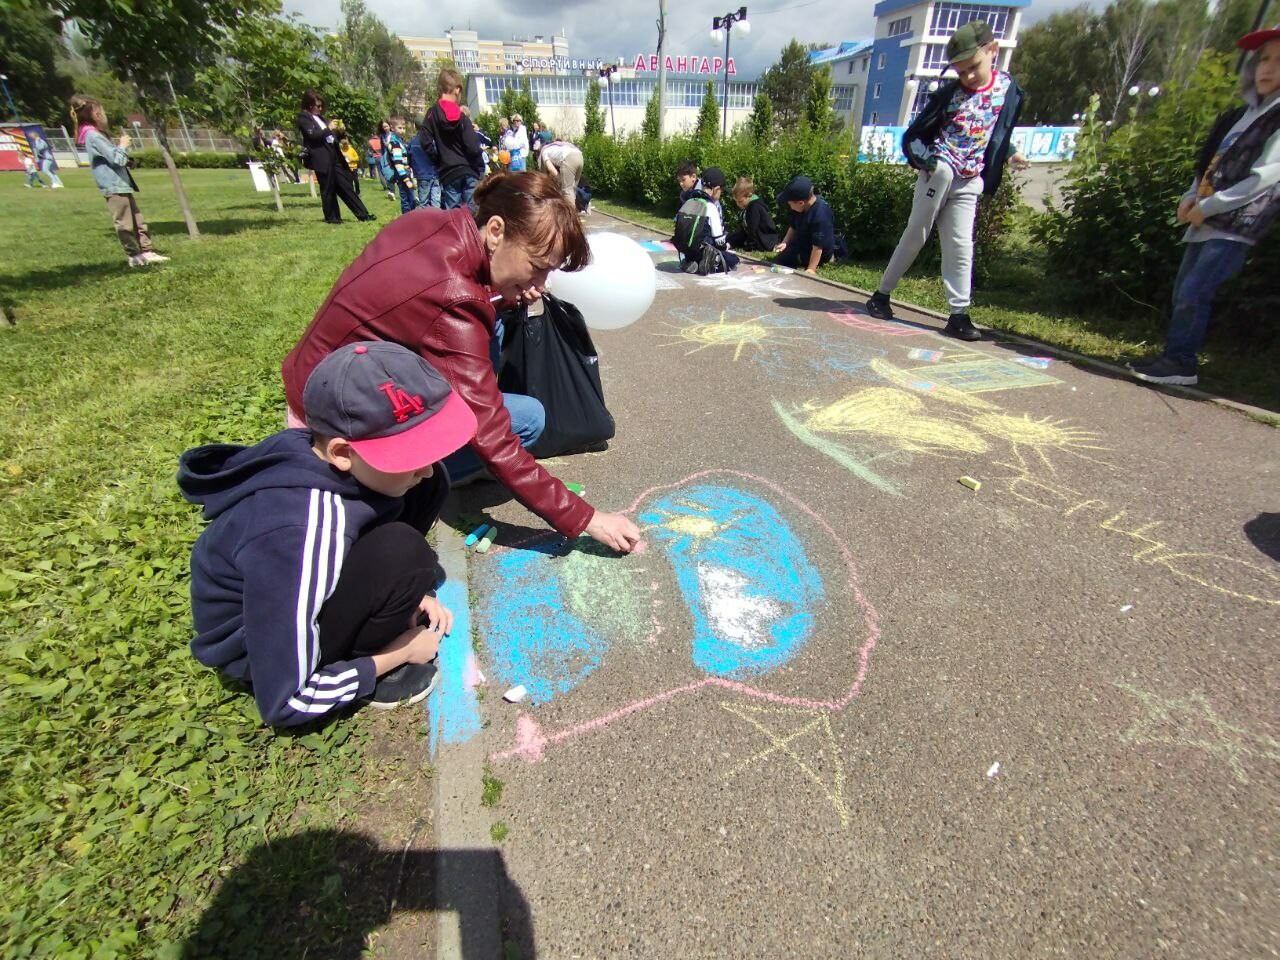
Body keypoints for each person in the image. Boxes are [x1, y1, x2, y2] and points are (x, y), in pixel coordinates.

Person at [281, 171, 643, 554]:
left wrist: (501, 296)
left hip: (312, 384)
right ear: (497, 230)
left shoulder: (431, 221)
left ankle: (424, 467)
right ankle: (403, 482)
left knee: (496, 337)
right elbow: (492, 434)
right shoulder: (456, 300)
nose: (540, 284)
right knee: (527, 419)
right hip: (336, 431)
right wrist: (587, 518)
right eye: (537, 265)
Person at [179, 341, 479, 726]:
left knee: (429, 486)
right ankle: (355, 658)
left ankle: (384, 603)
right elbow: (287, 701)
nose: (424, 468)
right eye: (407, 456)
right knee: (403, 551)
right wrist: (400, 652)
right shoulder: (298, 532)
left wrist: (414, 594)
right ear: (341, 452)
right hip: (262, 649)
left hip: (298, 589)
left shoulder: (339, 464)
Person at [1130, 25, 1280, 387]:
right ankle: (1173, 354)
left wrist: (1210, 207)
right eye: (1264, 59)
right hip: (1205, 217)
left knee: (1196, 290)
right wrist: (1190, 197)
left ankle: (1182, 362)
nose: (1268, 68)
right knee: (1184, 289)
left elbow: (1264, 178)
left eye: (1279, 61)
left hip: (1235, 224)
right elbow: (1208, 165)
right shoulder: (1237, 117)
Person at [863, 21, 1028, 341]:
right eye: (960, 71)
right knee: (916, 234)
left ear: (992, 51)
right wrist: (930, 163)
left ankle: (958, 314)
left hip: (969, 179)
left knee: (960, 246)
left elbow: (996, 130)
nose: (966, 77)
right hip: (939, 172)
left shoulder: (1007, 89)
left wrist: (1011, 152)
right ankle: (881, 295)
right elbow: (916, 135)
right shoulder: (949, 96)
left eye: (972, 68)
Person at [70, 94, 169, 267]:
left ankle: (147, 252)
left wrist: (126, 158)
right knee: (125, 223)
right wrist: (122, 145)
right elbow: (116, 159)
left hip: (121, 184)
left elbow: (114, 159)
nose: (103, 114)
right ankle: (134, 255)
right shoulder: (93, 136)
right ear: (94, 114)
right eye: (101, 111)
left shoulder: (96, 135)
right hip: (113, 186)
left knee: (138, 220)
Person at [297, 89, 375, 225]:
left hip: (334, 156)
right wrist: (328, 128)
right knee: (328, 188)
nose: (320, 109)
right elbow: (313, 136)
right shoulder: (304, 118)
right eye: (318, 106)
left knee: (346, 187)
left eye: (322, 106)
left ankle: (363, 214)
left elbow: (329, 136)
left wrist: (339, 132)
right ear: (309, 105)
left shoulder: (320, 118)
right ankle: (332, 218)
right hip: (321, 158)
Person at [421, 69, 483, 211]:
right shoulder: (462, 118)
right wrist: (478, 166)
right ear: (457, 89)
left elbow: (425, 141)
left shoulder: (432, 114)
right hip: (469, 171)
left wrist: (438, 159)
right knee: (473, 215)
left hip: (449, 172)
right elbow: (473, 147)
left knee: (453, 215)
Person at [674, 166, 738, 274]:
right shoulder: (711, 206)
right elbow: (719, 240)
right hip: (703, 248)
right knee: (733, 260)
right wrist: (725, 245)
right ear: (716, 189)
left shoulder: (690, 200)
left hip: (686, 250)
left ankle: (691, 261)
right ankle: (711, 262)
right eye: (721, 191)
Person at [773, 176, 836, 274]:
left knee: (785, 259)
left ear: (800, 202)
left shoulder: (820, 215)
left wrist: (811, 268)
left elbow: (818, 246)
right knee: (783, 256)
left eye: (790, 204)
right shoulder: (799, 208)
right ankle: (797, 255)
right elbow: (793, 226)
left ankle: (822, 259)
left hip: (819, 250)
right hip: (804, 242)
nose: (790, 207)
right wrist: (785, 242)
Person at [727, 177, 780, 252]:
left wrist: (749, 247)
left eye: (740, 201)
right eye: (736, 202)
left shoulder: (754, 208)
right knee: (730, 236)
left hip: (765, 241)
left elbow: (753, 229)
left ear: (749, 195)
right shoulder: (748, 206)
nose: (738, 204)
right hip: (760, 238)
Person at [382, 116, 418, 215]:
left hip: (405, 171)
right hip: (402, 173)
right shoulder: (395, 143)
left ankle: (410, 217)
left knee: (410, 197)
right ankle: (408, 219)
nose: (402, 130)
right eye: (399, 128)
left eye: (403, 128)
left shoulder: (399, 140)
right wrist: (406, 179)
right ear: (392, 128)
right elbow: (398, 163)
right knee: (407, 199)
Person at [539, 138, 585, 208]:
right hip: (580, 156)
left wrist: (548, 180)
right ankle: (574, 212)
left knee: (567, 191)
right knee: (573, 189)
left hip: (569, 158)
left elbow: (553, 172)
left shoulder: (544, 152)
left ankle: (571, 217)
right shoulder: (558, 147)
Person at [410, 117, 442, 209]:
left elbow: (409, 159)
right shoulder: (432, 141)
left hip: (422, 174)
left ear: (415, 127)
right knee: (436, 201)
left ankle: (424, 220)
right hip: (435, 173)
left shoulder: (413, 142)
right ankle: (437, 220)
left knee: (423, 201)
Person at [333, 120, 363, 197]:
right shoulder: (341, 151)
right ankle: (352, 193)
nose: (345, 147)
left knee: (356, 181)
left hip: (354, 167)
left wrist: (351, 159)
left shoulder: (351, 149)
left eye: (346, 145)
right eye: (344, 146)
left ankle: (358, 192)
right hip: (347, 168)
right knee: (349, 181)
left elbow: (357, 158)